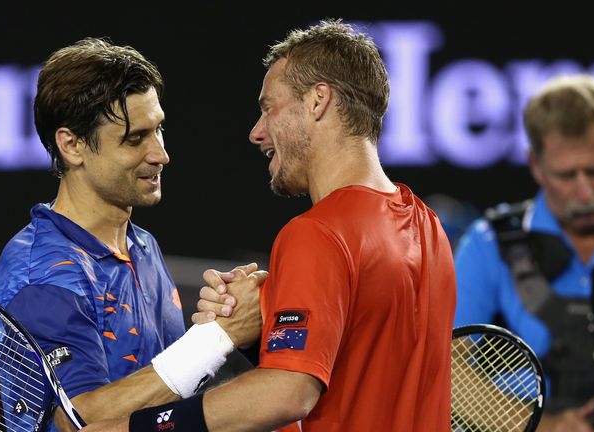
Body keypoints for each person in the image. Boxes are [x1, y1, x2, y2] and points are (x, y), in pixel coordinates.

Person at [83, 18, 457, 432]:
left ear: (318, 101)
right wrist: (266, 323)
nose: (256, 132)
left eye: (268, 108)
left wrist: (138, 428)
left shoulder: (317, 233)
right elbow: (367, 368)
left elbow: (289, 392)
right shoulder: (426, 225)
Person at [0, 37, 264, 432]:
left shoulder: (143, 246)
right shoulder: (44, 275)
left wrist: (227, 326)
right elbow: (81, 420)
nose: (160, 154)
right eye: (135, 138)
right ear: (72, 145)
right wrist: (218, 338)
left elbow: (169, 392)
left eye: (159, 130)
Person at [453, 74, 594, 431]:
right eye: (567, 176)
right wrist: (544, 426)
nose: (586, 193)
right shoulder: (487, 245)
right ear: (535, 165)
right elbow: (445, 372)